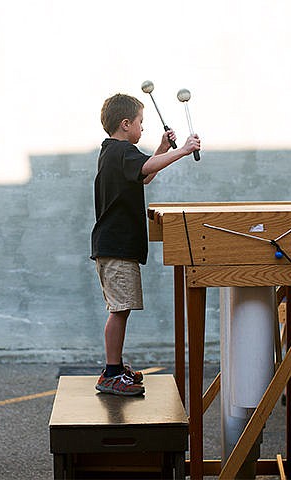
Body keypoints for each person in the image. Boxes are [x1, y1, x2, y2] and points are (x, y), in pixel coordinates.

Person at [91, 93, 201, 396]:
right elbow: (145, 168)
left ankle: (115, 366)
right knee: (119, 309)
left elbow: (144, 176)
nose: (143, 127)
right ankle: (111, 373)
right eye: (141, 122)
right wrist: (184, 150)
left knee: (121, 309)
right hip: (115, 247)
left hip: (115, 246)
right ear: (126, 124)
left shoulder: (116, 153)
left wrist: (164, 148)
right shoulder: (121, 151)